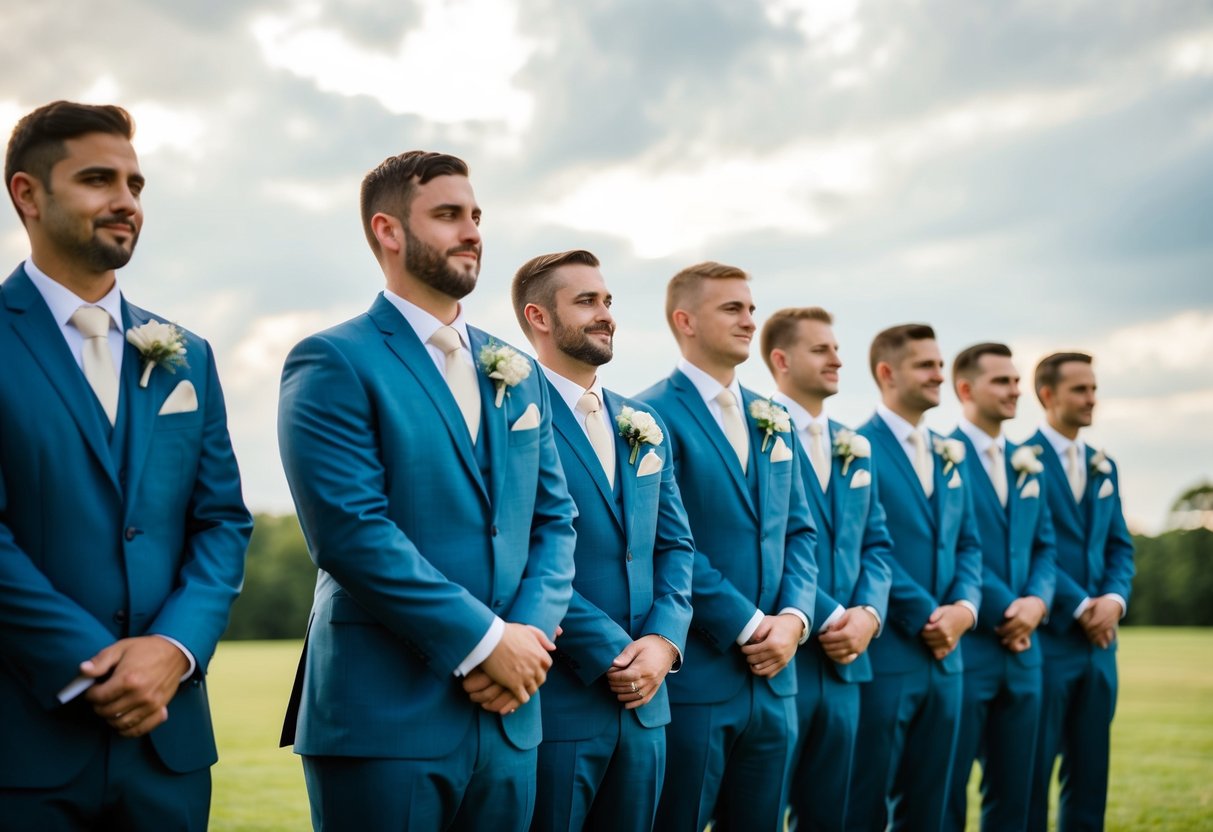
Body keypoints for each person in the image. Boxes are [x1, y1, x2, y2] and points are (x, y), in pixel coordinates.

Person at [277, 151, 578, 831]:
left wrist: (524, 636)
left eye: (475, 216)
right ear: (387, 231)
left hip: (511, 714)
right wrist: (483, 642)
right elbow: (350, 532)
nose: (472, 231)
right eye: (447, 215)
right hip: (384, 712)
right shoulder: (334, 359)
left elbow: (555, 519)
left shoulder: (516, 371)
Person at [0, 100, 252, 829]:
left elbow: (222, 523)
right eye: (98, 180)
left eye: (136, 185)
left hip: (168, 749)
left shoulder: (187, 356)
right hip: (22, 746)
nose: (125, 202)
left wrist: (174, 650)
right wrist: (97, 667)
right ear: (27, 194)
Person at [511, 249, 695, 832]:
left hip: (648, 705)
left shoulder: (642, 422)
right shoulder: (509, 411)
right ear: (539, 317)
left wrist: (664, 641)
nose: (605, 313)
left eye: (608, 301)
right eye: (586, 301)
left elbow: (675, 547)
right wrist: (615, 652)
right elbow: (516, 550)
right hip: (558, 697)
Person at [635, 261, 818, 832]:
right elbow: (667, 542)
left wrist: (793, 618)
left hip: (776, 680)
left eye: (751, 307)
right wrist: (748, 624)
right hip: (700, 678)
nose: (749, 320)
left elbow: (800, 531)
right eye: (732, 308)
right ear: (684, 320)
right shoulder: (647, 415)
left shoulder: (774, 417)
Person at [762, 307, 893, 832]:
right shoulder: (755, 429)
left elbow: (877, 544)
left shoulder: (854, 445)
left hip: (847, 663)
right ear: (781, 360)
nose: (838, 359)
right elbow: (770, 546)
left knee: (834, 816)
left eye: (836, 348)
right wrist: (831, 614)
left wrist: (867, 614)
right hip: (779, 658)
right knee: (760, 811)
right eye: (821, 349)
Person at [849, 323, 983, 832]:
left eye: (940, 364)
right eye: (925, 365)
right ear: (887, 373)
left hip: (949, 660)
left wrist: (964, 610)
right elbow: (864, 544)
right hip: (889, 657)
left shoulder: (951, 452)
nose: (938, 375)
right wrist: (930, 615)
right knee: (863, 802)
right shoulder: (857, 447)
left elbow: (969, 544)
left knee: (938, 806)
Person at [945, 342, 1058, 832]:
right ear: (966, 389)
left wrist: (1037, 602)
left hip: (1025, 655)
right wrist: (1010, 610)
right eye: (1002, 381)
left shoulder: (1027, 460)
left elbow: (1045, 547)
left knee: (1021, 795)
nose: (1015, 390)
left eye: (1016, 380)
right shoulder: (941, 454)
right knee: (944, 794)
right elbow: (951, 547)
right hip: (966, 651)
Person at [1027, 352, 1134, 832]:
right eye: (1079, 389)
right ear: (1047, 395)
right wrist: (1083, 604)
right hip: (1047, 642)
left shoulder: (1103, 464)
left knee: (1091, 778)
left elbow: (1120, 547)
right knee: (1029, 778)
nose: (1092, 399)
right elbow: (1031, 550)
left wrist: (1113, 600)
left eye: (1093, 388)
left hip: (1100, 647)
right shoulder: (1019, 462)